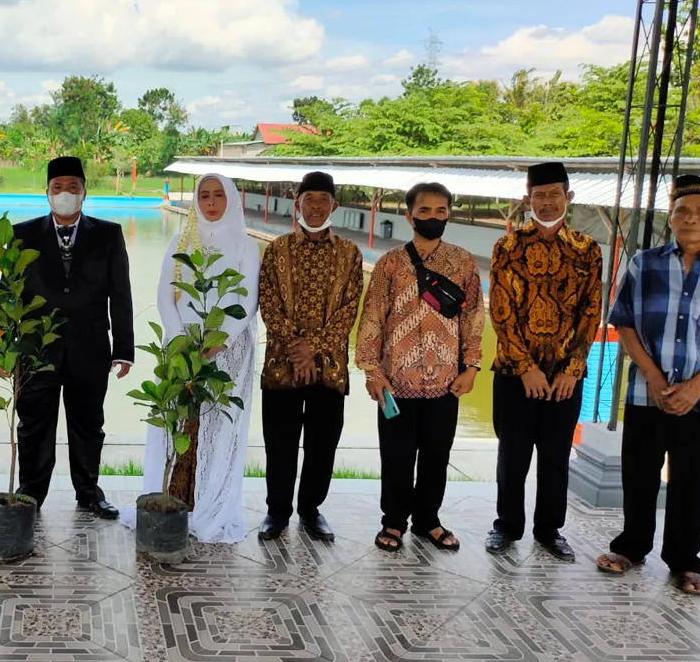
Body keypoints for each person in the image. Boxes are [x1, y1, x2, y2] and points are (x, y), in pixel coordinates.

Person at [596, 175, 700, 597]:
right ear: (670, 217)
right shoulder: (644, 263)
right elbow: (624, 322)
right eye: (681, 211)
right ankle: (631, 548)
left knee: (694, 480)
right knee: (639, 475)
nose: (690, 218)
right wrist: (653, 377)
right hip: (646, 393)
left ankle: (686, 562)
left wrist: (697, 385)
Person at [121, 173, 260, 542]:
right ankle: (172, 497)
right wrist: (181, 340)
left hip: (228, 353)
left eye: (218, 196)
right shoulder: (181, 240)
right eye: (204, 195)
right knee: (176, 427)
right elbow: (165, 295)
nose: (211, 203)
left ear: (231, 199)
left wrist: (220, 341)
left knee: (218, 425)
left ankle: (212, 502)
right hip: (181, 350)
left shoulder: (246, 246)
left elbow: (246, 302)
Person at [356, 181, 483, 553]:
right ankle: (393, 522)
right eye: (424, 211)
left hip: (447, 382)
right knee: (396, 456)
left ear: (449, 214)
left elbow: (474, 317)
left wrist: (471, 367)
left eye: (440, 211)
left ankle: (429, 520)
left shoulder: (463, 263)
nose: (432, 217)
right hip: (396, 383)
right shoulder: (390, 264)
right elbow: (372, 319)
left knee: (436, 456)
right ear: (409, 215)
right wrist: (372, 372)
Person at [486, 162, 602, 560]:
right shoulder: (508, 247)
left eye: (555, 194)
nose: (547, 202)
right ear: (527, 198)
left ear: (568, 198)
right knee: (512, 455)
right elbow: (499, 311)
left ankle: (550, 530)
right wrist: (525, 367)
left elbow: (591, 312)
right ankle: (507, 526)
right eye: (540, 195)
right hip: (515, 374)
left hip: (565, 378)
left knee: (555, 457)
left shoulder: (587, 250)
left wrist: (572, 369)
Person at [12, 156, 134, 518]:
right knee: (34, 423)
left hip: (90, 347)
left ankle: (89, 490)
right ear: (47, 193)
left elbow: (121, 293)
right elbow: (9, 295)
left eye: (73, 188)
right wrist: (5, 349)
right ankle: (31, 491)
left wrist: (123, 350)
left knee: (88, 424)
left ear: (84, 194)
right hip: (36, 349)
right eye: (58, 188)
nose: (65, 194)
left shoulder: (108, 234)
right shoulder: (22, 234)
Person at [257, 171, 363, 541]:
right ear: (296, 203)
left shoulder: (350, 253)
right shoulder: (276, 249)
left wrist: (312, 350)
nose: (315, 207)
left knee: (322, 443)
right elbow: (268, 304)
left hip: (329, 369)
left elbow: (349, 311)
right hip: (281, 366)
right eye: (308, 199)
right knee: (280, 441)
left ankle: (311, 509)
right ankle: (277, 511)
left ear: (334, 205)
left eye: (323, 200)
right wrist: (296, 349)